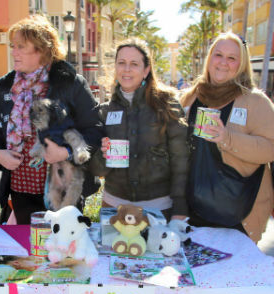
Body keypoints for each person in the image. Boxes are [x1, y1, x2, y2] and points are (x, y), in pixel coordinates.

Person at [0, 15, 103, 224]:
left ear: (42, 49)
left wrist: (66, 152)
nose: (14, 52)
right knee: (27, 252)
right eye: (13, 46)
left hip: (63, 190)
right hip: (20, 190)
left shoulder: (70, 83)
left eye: (21, 46)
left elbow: (94, 130)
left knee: (62, 252)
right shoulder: (7, 86)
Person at [179, 32, 274, 242]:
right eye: (218, 55)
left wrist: (226, 138)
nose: (223, 63)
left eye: (232, 58)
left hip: (237, 213)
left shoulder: (255, 100)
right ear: (209, 58)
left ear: (241, 64)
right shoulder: (192, 95)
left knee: (234, 274)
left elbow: (270, 147)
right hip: (192, 212)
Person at [88, 38, 189, 220]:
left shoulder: (167, 105)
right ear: (115, 68)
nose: (126, 69)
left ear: (146, 70)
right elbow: (96, 171)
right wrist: (103, 155)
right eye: (121, 63)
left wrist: (180, 208)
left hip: (158, 211)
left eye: (134, 64)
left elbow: (181, 161)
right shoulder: (105, 111)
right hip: (113, 209)